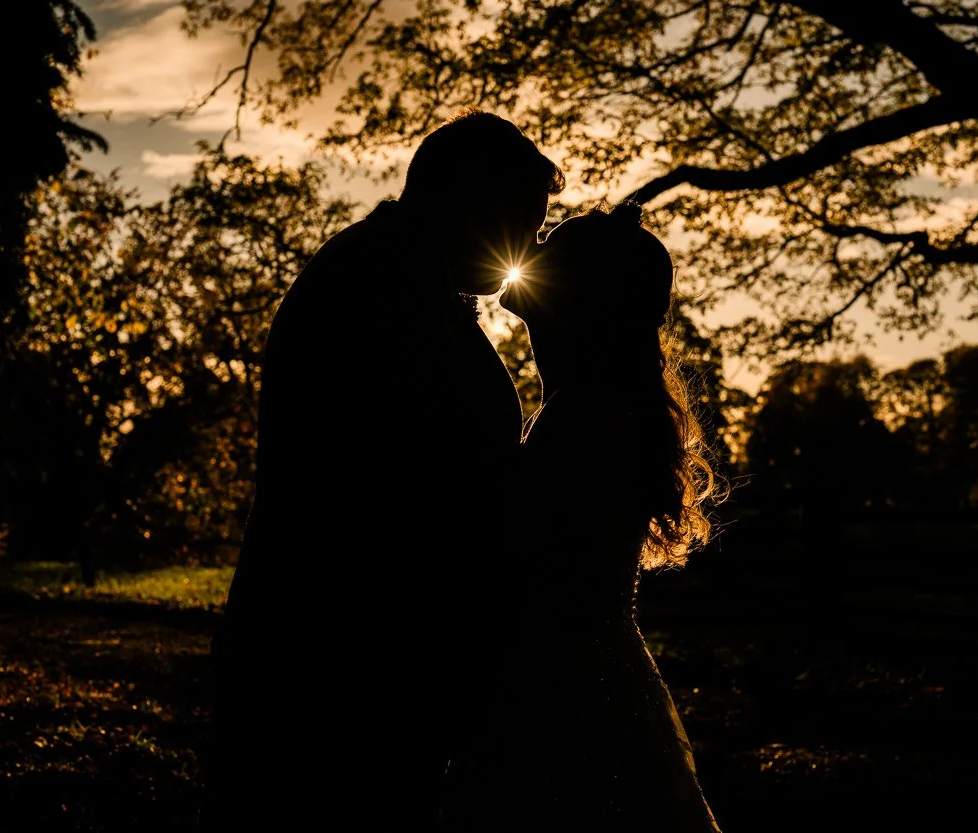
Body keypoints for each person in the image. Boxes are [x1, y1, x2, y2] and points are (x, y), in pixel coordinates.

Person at [200, 110, 565, 830]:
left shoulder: (408, 276)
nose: (529, 245)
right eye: (523, 221)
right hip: (338, 665)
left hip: (365, 659)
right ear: (470, 199)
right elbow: (407, 485)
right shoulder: (380, 286)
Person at [439, 202, 724, 831]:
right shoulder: (596, 407)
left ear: (581, 301)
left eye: (554, 247)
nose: (533, 248)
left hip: (560, 686)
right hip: (582, 672)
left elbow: (523, 559)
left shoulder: (587, 418)